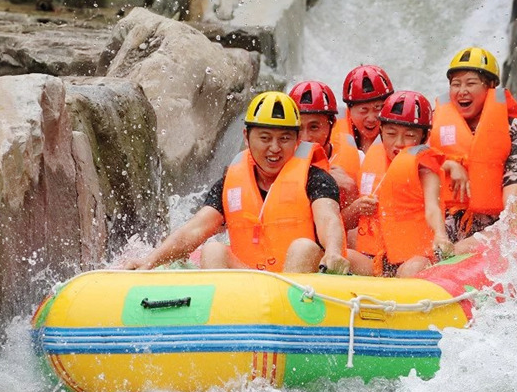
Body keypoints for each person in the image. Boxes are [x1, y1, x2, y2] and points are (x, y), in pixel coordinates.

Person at [123, 91, 351, 274]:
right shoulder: (229, 185)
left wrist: (332, 251)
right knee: (213, 250)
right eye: (264, 138)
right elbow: (195, 229)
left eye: (284, 138)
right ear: (246, 136)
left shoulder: (317, 178)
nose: (274, 148)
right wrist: (149, 261)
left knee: (303, 247)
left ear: (297, 140)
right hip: (249, 283)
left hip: (301, 284)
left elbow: (328, 219)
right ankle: (222, 322)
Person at [429, 47, 517, 251]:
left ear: (490, 86)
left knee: (462, 248)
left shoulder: (512, 129)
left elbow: (515, 185)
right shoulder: (434, 122)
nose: (462, 91)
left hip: (491, 224)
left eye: (471, 83)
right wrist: (448, 164)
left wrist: (505, 224)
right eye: (456, 84)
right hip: (443, 222)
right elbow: (416, 164)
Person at [348, 91, 453, 277]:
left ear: (423, 137)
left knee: (414, 267)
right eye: (391, 134)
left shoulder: (426, 170)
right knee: (345, 255)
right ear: (381, 131)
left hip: (414, 258)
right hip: (378, 261)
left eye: (409, 135)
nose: (398, 143)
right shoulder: (372, 160)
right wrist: (357, 208)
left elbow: (433, 208)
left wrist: (440, 234)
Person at [288, 80, 360, 208]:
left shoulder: (360, 158)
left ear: (332, 123)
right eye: (298, 128)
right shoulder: (277, 162)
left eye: (314, 127)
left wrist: (351, 191)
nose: (305, 138)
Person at [332, 65, 395, 157]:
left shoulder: (403, 137)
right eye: (364, 110)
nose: (371, 118)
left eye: (378, 108)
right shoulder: (329, 132)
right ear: (349, 109)